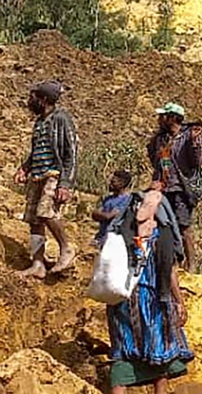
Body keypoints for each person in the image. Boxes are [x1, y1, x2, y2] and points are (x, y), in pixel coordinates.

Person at [106, 190, 193, 393]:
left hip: (121, 301)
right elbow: (169, 271)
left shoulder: (121, 230)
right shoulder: (162, 235)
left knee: (123, 354)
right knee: (159, 358)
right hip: (152, 303)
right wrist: (179, 301)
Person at [14, 80, 78, 278]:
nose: (29, 100)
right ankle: (38, 264)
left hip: (54, 174)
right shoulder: (40, 121)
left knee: (45, 212)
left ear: (43, 99)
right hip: (38, 174)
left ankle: (66, 248)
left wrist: (66, 184)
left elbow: (71, 153)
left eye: (33, 97)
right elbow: (36, 151)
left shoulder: (61, 118)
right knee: (34, 219)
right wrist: (25, 168)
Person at [147, 102, 202, 272]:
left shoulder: (188, 137)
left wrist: (194, 143)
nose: (159, 119)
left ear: (172, 118)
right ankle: (172, 262)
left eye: (163, 116)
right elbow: (153, 157)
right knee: (164, 225)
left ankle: (191, 265)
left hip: (180, 189)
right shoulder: (160, 139)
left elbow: (196, 163)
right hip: (162, 189)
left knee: (183, 226)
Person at [92, 170, 133, 247]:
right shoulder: (107, 199)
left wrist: (100, 215)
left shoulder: (126, 200)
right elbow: (94, 214)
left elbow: (109, 216)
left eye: (113, 182)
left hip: (113, 238)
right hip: (101, 237)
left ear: (122, 184)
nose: (110, 184)